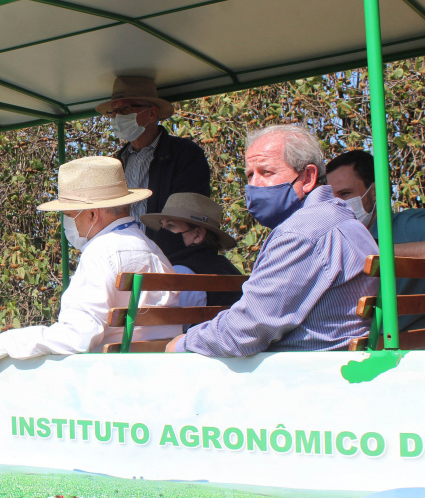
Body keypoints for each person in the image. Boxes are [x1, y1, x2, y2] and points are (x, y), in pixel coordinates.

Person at [0, 156, 180, 386]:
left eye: (68, 215)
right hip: (157, 376)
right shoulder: (152, 249)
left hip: (113, 383)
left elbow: (76, 337)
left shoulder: (102, 252)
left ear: (92, 214)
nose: (66, 224)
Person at [165, 125, 378, 356]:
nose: (253, 185)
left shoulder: (301, 233)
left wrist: (183, 343)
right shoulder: (345, 220)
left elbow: (246, 331)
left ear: (308, 177)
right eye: (249, 175)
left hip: (300, 373)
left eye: (266, 172)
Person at [327, 150, 425, 330]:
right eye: (330, 198)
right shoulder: (331, 241)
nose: (337, 205)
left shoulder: (408, 227)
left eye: (345, 193)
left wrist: (373, 251)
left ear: (374, 192)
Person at [97, 76, 211, 229]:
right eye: (113, 111)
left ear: (152, 113)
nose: (117, 117)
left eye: (125, 109)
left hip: (168, 253)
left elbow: (189, 218)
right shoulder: (117, 163)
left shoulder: (185, 155)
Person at [140, 193, 243, 307]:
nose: (162, 233)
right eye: (162, 225)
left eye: (170, 225)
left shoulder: (180, 274)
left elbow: (164, 323)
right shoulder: (228, 268)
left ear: (198, 235)